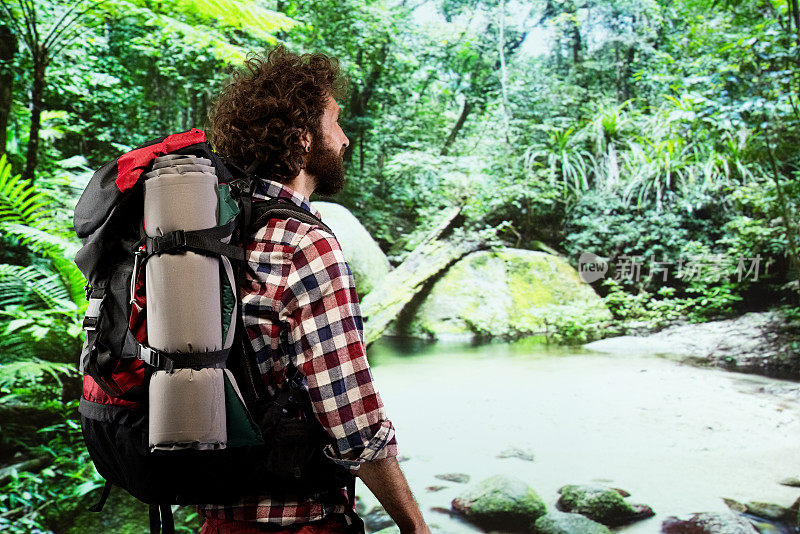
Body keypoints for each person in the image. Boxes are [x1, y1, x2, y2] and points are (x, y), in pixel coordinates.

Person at [199, 45, 430, 534]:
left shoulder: (213, 232)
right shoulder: (304, 243)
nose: (344, 140)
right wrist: (414, 525)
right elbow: (351, 418)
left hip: (218, 519)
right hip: (300, 522)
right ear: (303, 139)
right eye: (336, 122)